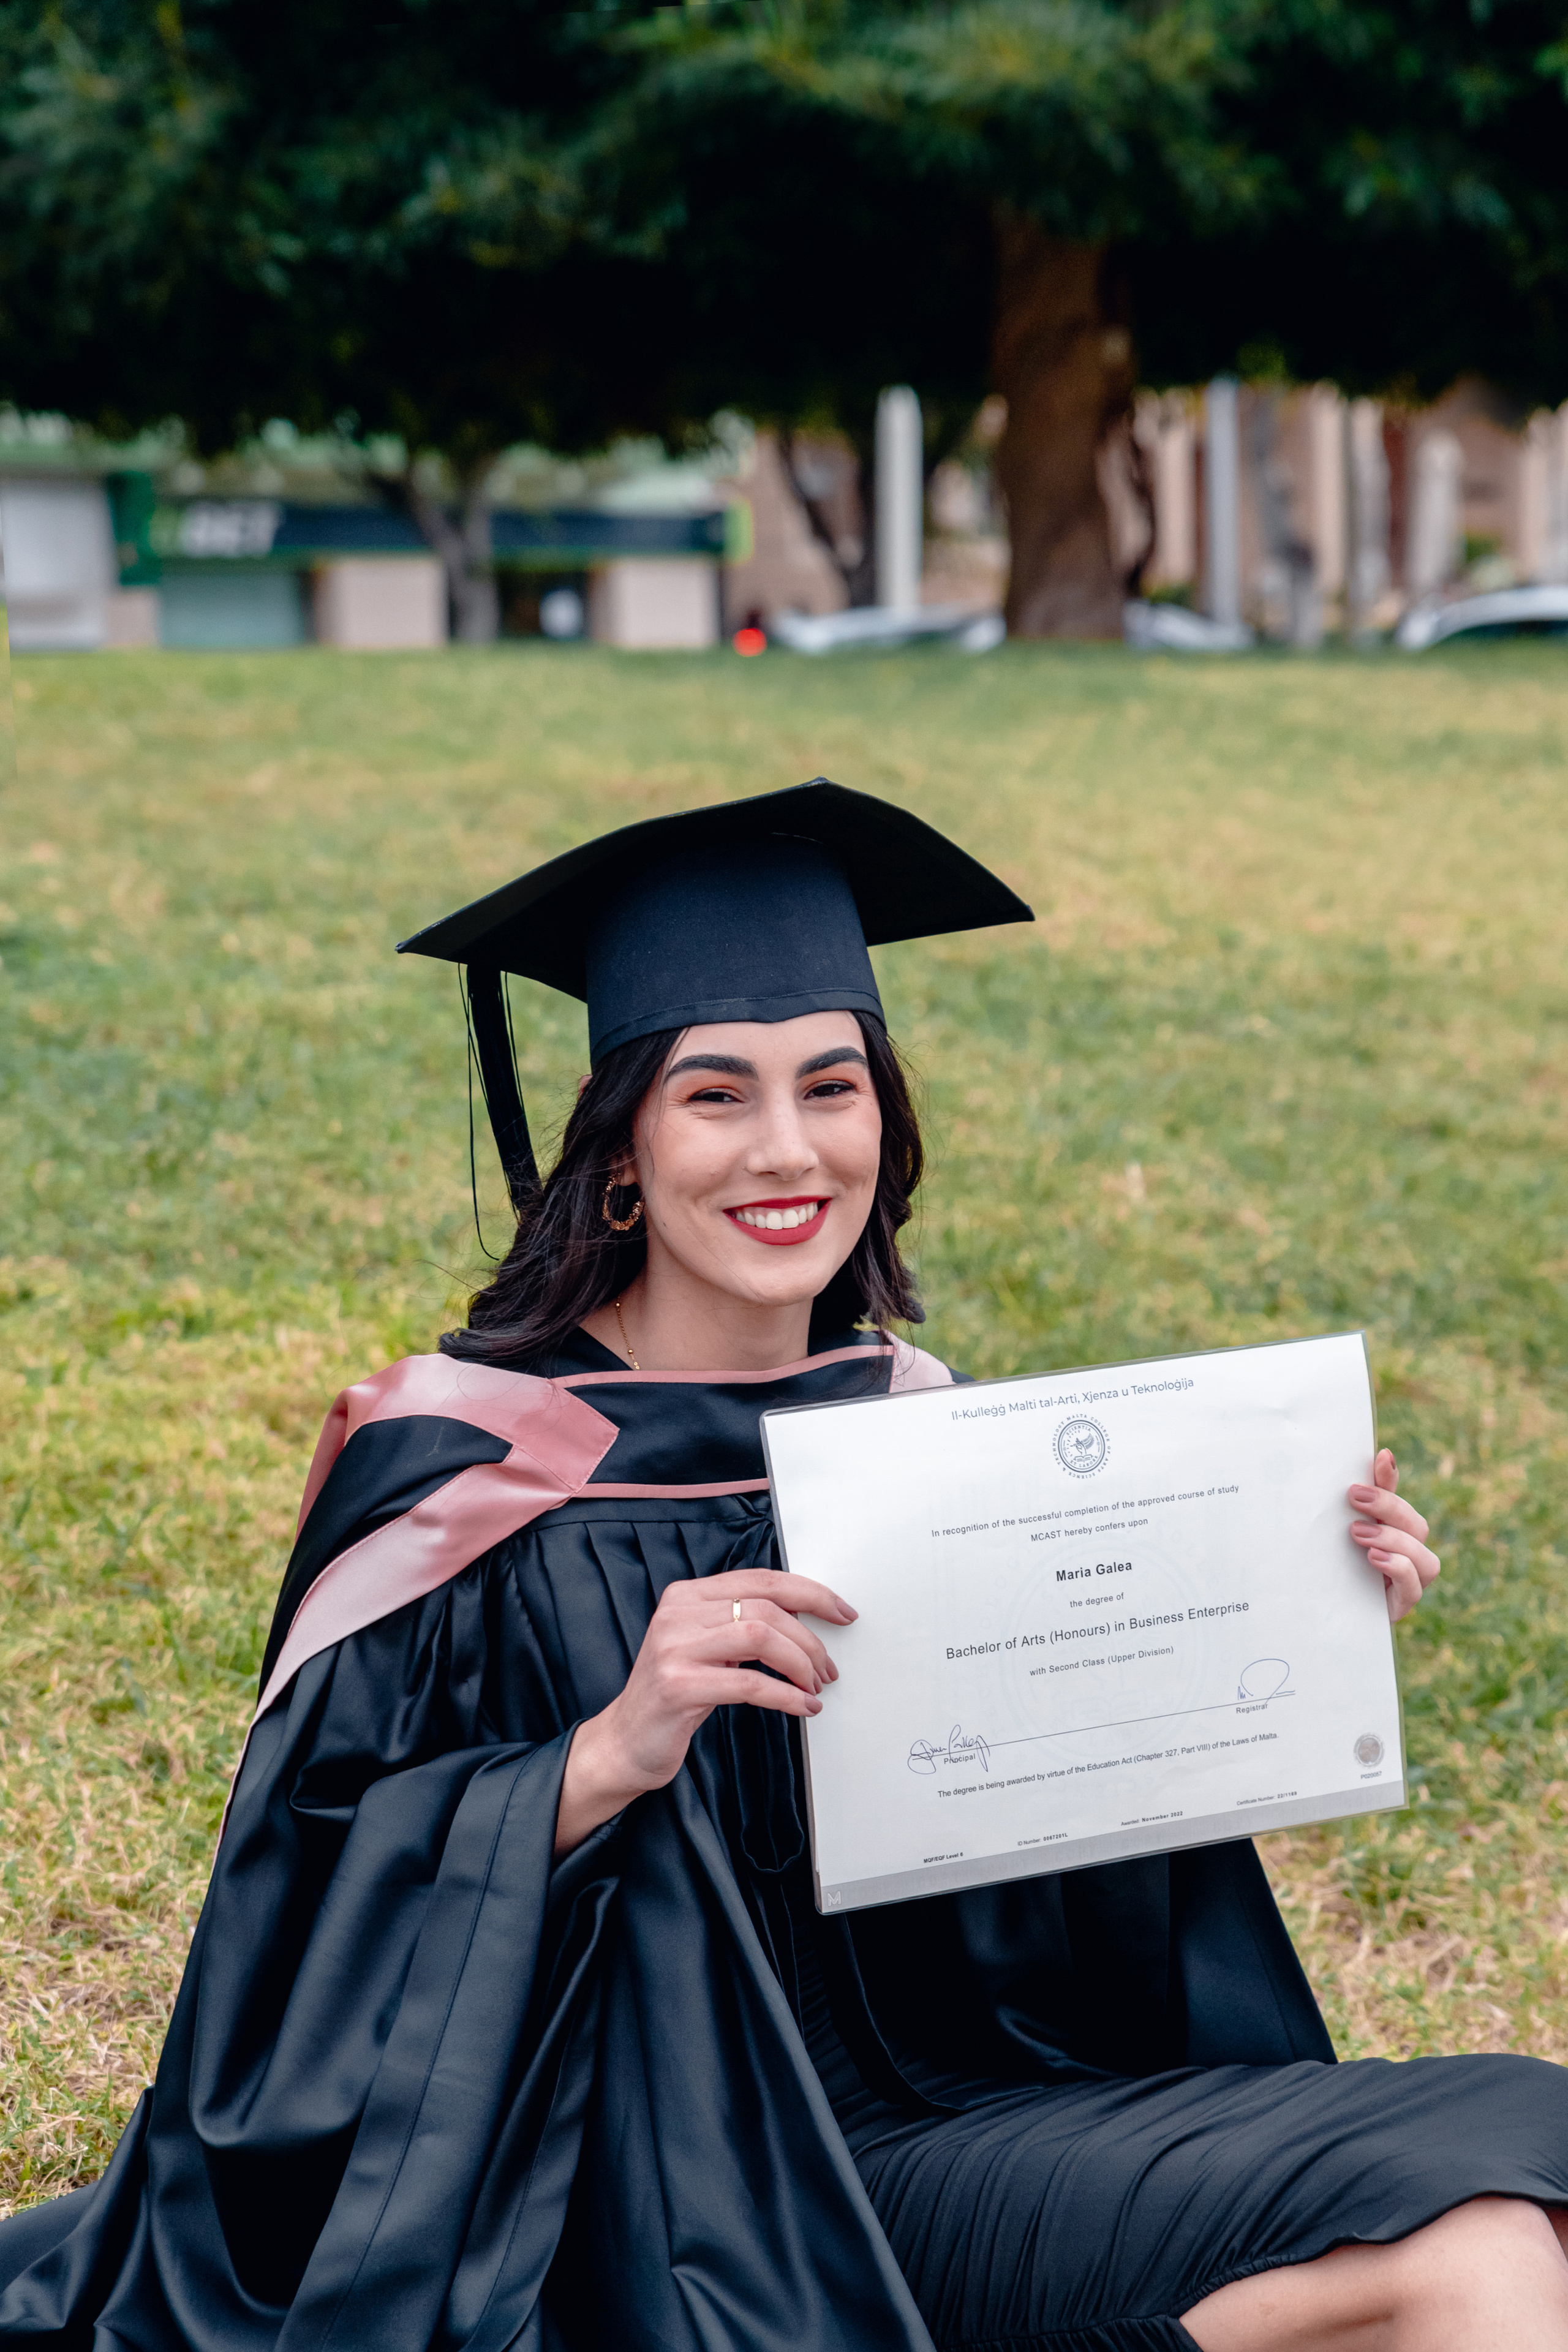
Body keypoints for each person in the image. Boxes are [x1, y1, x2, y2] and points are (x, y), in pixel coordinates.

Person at [0, 778, 1562, 2352]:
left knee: (1509, 2194)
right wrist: (601, 1760)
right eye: (715, 1095)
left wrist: (1284, 1611)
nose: (786, 1149)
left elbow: (1081, 1883)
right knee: (1473, 2250)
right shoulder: (465, 1471)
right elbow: (288, 1960)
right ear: (621, 1144)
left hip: (955, 2142)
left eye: (831, 1087)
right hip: (627, 2207)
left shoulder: (931, 1451)